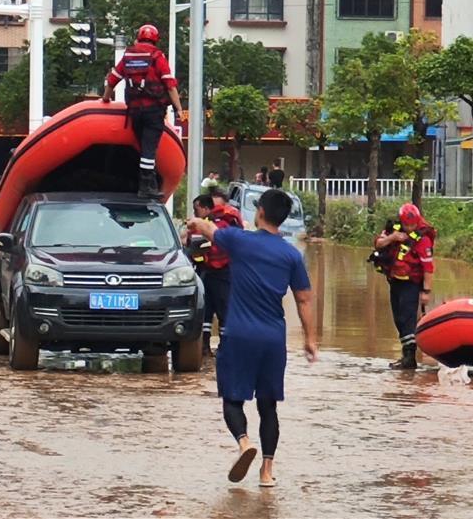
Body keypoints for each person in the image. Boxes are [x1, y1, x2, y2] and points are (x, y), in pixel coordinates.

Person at [187, 189, 317, 488]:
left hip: (239, 335)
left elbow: (209, 228)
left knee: (232, 399)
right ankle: (267, 472)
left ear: (259, 212)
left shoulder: (239, 240)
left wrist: (194, 221)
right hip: (273, 338)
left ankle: (245, 443)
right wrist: (311, 339)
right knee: (268, 406)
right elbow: (304, 300)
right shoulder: (291, 255)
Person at [101, 24, 184, 200]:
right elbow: (170, 85)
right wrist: (178, 108)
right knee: (149, 149)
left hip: (134, 111)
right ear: (155, 39)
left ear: (138, 37)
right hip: (153, 111)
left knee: (143, 146)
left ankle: (146, 182)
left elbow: (112, 79)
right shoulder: (157, 56)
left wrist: (106, 99)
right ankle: (146, 186)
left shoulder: (129, 55)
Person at [371, 203, 435, 370]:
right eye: (406, 224)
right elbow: (378, 244)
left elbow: (428, 268)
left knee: (407, 320)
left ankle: (409, 358)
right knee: (398, 319)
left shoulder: (423, 238)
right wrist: (392, 238)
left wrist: (426, 291)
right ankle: (406, 355)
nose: (409, 228)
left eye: (412, 225)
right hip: (395, 281)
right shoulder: (394, 229)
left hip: (411, 284)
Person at [197, 188, 245, 355]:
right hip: (206, 270)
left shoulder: (227, 222)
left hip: (223, 271)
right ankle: (205, 346)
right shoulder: (205, 222)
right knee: (206, 310)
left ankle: (224, 346)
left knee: (222, 310)